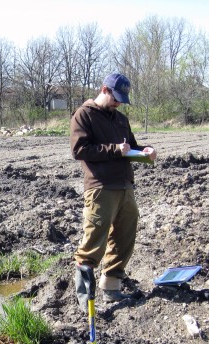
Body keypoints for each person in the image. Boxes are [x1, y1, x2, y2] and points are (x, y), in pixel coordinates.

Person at [70, 73, 157, 312]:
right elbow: (80, 150)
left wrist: (145, 151)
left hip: (124, 186)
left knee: (124, 235)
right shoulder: (84, 115)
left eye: (122, 99)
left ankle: (111, 286)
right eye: (116, 98)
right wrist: (114, 149)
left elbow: (130, 146)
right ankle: (84, 299)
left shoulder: (120, 119)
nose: (119, 103)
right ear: (104, 90)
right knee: (94, 239)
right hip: (100, 187)